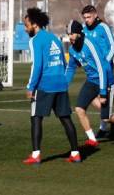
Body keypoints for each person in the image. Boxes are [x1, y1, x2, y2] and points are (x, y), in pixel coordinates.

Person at [23, 8, 80, 164]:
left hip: (45, 85)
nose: (25, 28)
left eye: (26, 24)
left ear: (34, 24)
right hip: (60, 84)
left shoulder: (35, 40)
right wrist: (63, 81)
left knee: (36, 118)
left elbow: (37, 65)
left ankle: (35, 155)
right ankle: (76, 153)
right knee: (65, 118)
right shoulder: (54, 38)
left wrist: (30, 86)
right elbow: (63, 61)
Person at [66, 20, 114, 145]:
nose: (70, 37)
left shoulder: (89, 45)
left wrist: (103, 92)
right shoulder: (73, 50)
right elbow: (70, 68)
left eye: (72, 34)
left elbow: (101, 68)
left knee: (106, 118)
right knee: (79, 109)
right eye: (68, 34)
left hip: (106, 80)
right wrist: (63, 85)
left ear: (79, 33)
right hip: (91, 81)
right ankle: (92, 139)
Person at [81, 5, 114, 137]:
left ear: (95, 15)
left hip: (105, 71)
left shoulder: (103, 27)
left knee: (104, 100)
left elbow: (113, 47)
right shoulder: (84, 30)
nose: (86, 20)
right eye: (84, 17)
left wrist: (104, 63)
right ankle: (106, 125)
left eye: (89, 17)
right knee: (91, 97)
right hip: (93, 73)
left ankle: (105, 126)